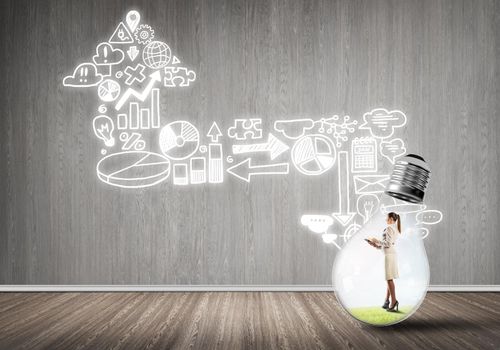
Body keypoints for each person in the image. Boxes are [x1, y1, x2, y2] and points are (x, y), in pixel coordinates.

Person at [366, 212, 401, 312]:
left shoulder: (390, 228)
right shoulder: (395, 228)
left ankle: (393, 301)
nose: (385, 219)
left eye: (386, 218)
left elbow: (388, 243)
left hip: (389, 255)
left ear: (390, 218)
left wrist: (376, 240)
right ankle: (387, 301)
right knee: (389, 278)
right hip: (391, 254)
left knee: (389, 279)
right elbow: (387, 244)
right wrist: (375, 245)